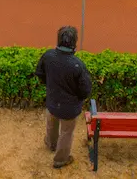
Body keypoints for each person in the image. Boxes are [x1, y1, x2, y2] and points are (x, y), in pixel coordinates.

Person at [35, 26, 93, 169]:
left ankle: (51, 144)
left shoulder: (48, 56)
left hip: (52, 102)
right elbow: (85, 90)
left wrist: (49, 86)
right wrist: (77, 99)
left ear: (59, 40)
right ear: (74, 43)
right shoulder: (77, 65)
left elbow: (40, 73)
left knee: (51, 124)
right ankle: (60, 160)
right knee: (66, 133)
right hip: (70, 108)